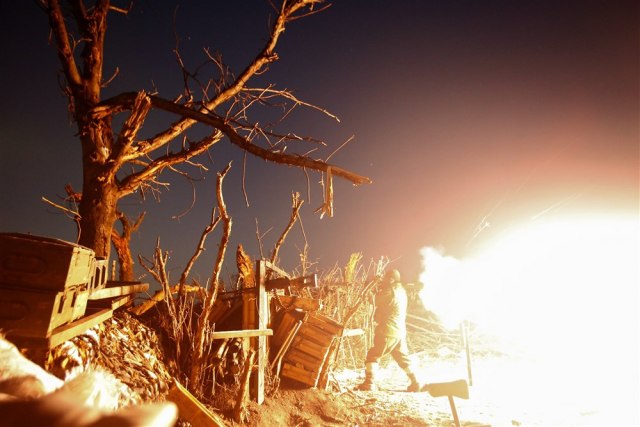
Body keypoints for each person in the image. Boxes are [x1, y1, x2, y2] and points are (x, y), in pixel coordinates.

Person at [356, 269, 423, 392]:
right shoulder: (402, 291)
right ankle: (416, 383)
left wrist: (370, 287)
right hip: (399, 332)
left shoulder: (390, 291)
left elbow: (373, 300)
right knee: (403, 359)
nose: (384, 281)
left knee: (373, 355)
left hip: (387, 330)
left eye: (386, 279)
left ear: (391, 279)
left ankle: (369, 383)